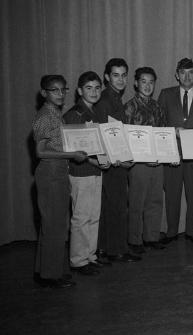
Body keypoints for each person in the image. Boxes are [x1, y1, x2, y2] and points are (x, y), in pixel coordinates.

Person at [32, 75, 88, 288]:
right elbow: (40, 152)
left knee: (51, 225)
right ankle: (51, 276)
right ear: (44, 93)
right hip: (51, 174)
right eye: (54, 90)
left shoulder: (55, 113)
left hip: (57, 173)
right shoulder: (45, 116)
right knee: (54, 226)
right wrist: (72, 155)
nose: (60, 94)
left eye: (63, 90)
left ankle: (43, 271)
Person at [158, 58, 193, 244]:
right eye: (183, 72)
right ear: (177, 75)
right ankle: (171, 232)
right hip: (172, 155)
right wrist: (172, 132)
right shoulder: (165, 95)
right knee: (172, 196)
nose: (187, 76)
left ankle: (191, 231)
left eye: (191, 72)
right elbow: (159, 124)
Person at [64, 71, 110, 276]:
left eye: (97, 87)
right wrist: (97, 161)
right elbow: (73, 150)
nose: (94, 92)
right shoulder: (74, 114)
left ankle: (90, 255)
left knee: (93, 216)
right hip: (81, 172)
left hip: (96, 172)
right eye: (89, 88)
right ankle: (78, 260)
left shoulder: (97, 113)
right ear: (79, 91)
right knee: (81, 217)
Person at [97, 58, 141, 263]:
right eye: (116, 75)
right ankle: (117, 250)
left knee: (112, 206)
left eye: (124, 75)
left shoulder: (114, 98)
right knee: (116, 206)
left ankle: (107, 248)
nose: (121, 79)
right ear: (107, 77)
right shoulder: (106, 99)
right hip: (113, 163)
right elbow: (102, 135)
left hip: (117, 161)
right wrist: (119, 160)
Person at [124, 67, 167, 253]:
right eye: (144, 81)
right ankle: (134, 240)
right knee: (136, 202)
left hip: (157, 162)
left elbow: (163, 134)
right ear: (136, 83)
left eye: (151, 82)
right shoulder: (129, 107)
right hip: (138, 163)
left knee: (155, 201)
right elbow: (125, 138)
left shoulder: (157, 106)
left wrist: (164, 156)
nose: (148, 86)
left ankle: (151, 236)